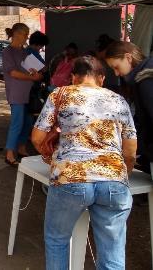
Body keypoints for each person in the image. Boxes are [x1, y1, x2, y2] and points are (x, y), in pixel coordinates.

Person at [31, 56, 137, 270]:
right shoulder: (118, 100)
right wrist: (123, 173)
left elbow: (37, 138)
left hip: (70, 177)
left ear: (73, 77)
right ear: (102, 78)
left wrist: (52, 158)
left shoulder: (60, 94)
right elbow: (130, 149)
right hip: (113, 180)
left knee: (57, 240)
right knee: (112, 249)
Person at [105, 41, 153, 173]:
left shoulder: (146, 80)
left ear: (128, 57)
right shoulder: (143, 76)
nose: (116, 73)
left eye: (116, 67)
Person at [2, 23, 43, 166]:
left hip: (28, 93)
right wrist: (33, 77)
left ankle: (21, 147)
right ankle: (9, 154)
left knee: (27, 122)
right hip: (16, 92)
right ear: (17, 34)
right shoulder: (8, 52)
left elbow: (33, 68)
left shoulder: (25, 52)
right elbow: (13, 72)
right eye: (25, 34)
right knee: (17, 123)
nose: (27, 37)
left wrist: (36, 74)